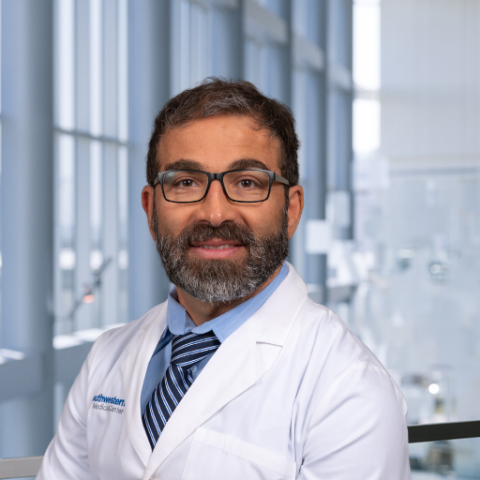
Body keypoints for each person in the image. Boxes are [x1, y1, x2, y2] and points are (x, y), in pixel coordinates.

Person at [36, 78, 411, 480]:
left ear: (291, 210)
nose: (215, 214)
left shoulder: (348, 389)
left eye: (247, 183)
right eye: (185, 183)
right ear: (150, 210)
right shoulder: (107, 357)